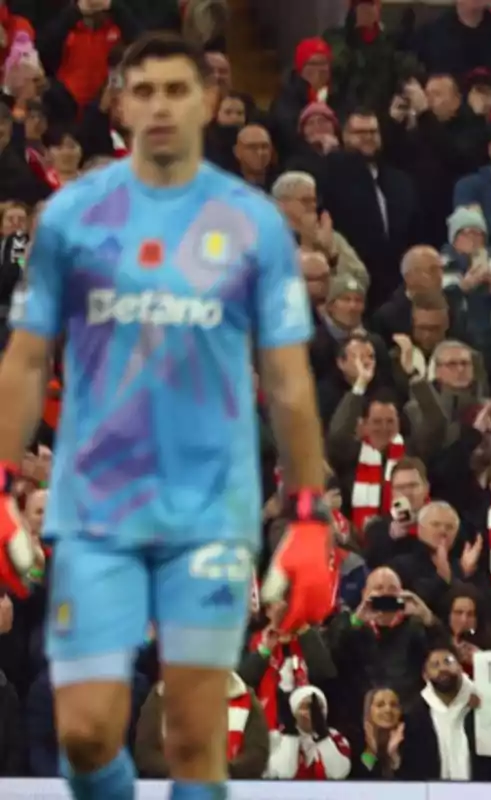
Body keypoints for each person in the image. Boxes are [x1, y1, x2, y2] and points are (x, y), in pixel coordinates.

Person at [0, 32, 335, 800]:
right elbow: (24, 359)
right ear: (118, 104)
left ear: (210, 102)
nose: (158, 105)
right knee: (85, 734)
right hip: (96, 508)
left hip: (209, 511)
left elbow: (287, 381)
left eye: (176, 90)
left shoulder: (251, 225)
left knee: (193, 737)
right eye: (142, 89)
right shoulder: (70, 218)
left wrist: (311, 516)